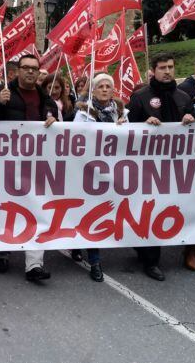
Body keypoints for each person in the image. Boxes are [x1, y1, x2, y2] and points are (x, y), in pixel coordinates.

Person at [0, 54, 58, 282]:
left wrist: (54, 120)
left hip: (36, 163)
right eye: (26, 68)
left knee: (37, 208)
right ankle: (2, 251)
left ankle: (34, 265)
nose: (30, 72)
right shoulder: (2, 92)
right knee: (6, 207)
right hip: (5, 162)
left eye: (34, 69)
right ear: (17, 71)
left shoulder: (46, 98)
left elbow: (56, 119)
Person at [126, 53, 195, 281]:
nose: (167, 71)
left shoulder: (184, 97)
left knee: (173, 208)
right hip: (147, 167)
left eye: (171, 67)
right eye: (163, 67)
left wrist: (190, 118)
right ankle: (151, 260)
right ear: (153, 71)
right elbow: (125, 129)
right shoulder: (139, 97)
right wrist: (142, 125)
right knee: (151, 209)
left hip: (177, 166)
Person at [72, 73, 126, 281]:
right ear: (93, 90)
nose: (104, 89)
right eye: (100, 86)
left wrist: (124, 128)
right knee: (89, 212)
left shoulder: (122, 112)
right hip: (86, 170)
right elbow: (74, 140)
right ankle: (95, 261)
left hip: (112, 172)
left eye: (108, 86)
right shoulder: (83, 113)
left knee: (106, 212)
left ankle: (78, 246)